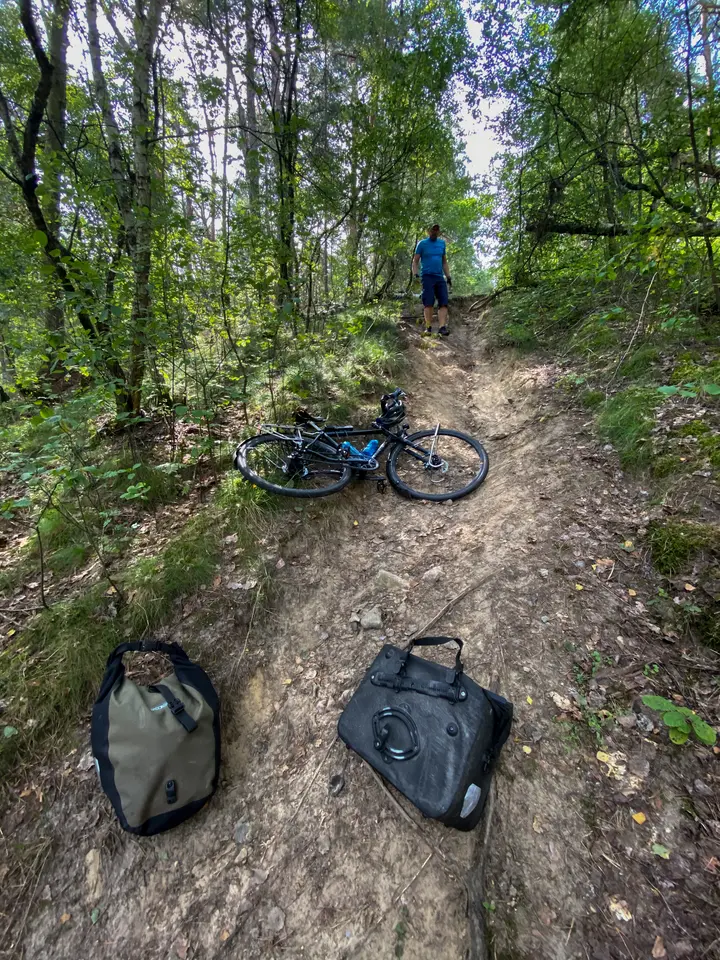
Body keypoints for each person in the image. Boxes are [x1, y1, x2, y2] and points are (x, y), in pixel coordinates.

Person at [412, 224, 452, 336]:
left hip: (439, 277)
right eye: (433, 230)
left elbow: (444, 262)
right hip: (427, 276)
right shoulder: (422, 244)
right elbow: (415, 261)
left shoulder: (441, 244)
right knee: (428, 302)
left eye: (436, 230)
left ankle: (442, 327)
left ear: (438, 231)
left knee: (443, 302)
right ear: (428, 231)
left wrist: (448, 276)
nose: (434, 232)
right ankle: (428, 327)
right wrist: (415, 274)